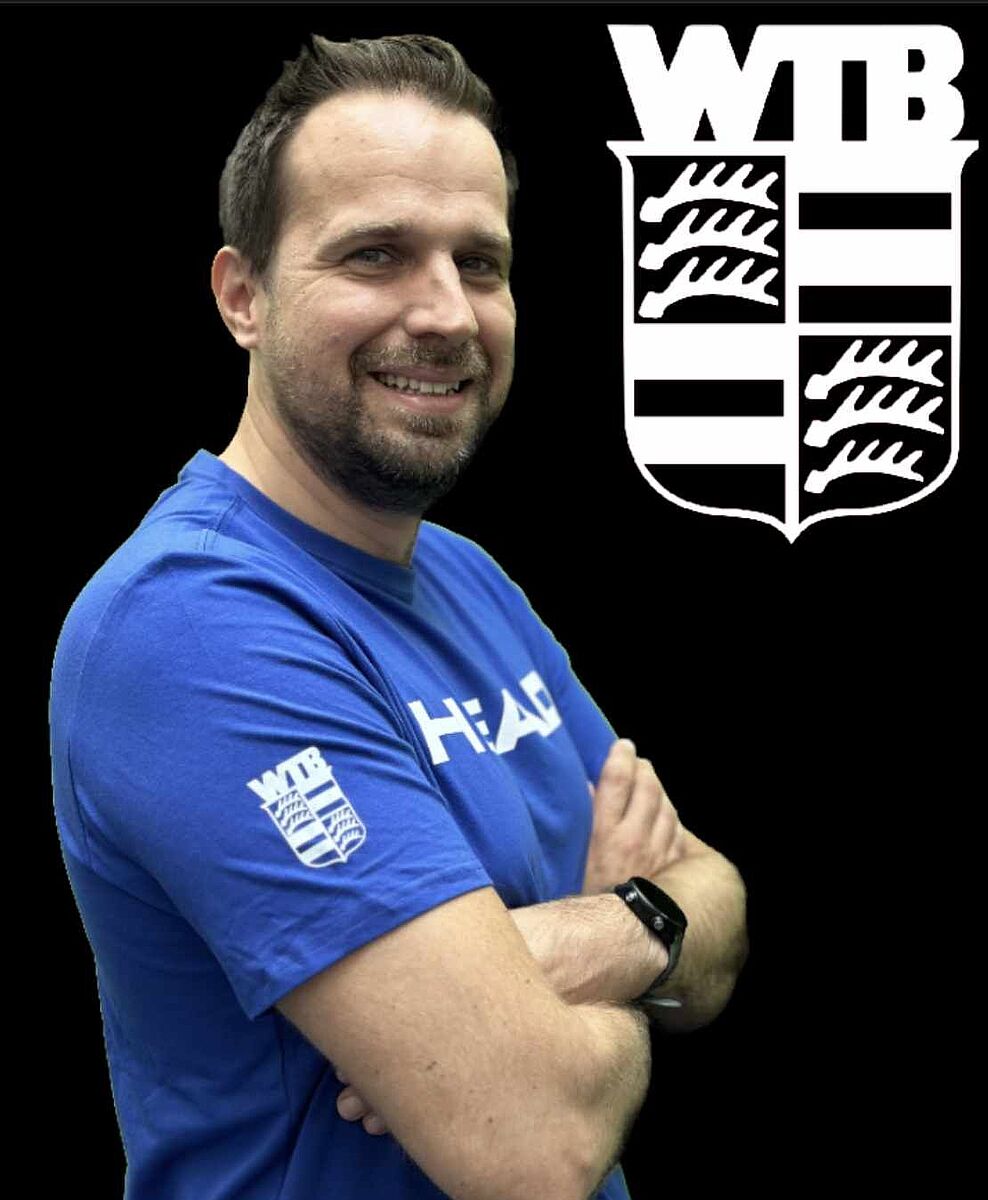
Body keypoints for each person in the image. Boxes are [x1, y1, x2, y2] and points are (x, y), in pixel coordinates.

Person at [49, 32, 748, 1200]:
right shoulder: (190, 628)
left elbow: (715, 894)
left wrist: (599, 936)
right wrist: (638, 956)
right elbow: (532, 1139)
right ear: (243, 297)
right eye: (375, 254)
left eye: (480, 263)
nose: (445, 313)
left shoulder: (469, 579)